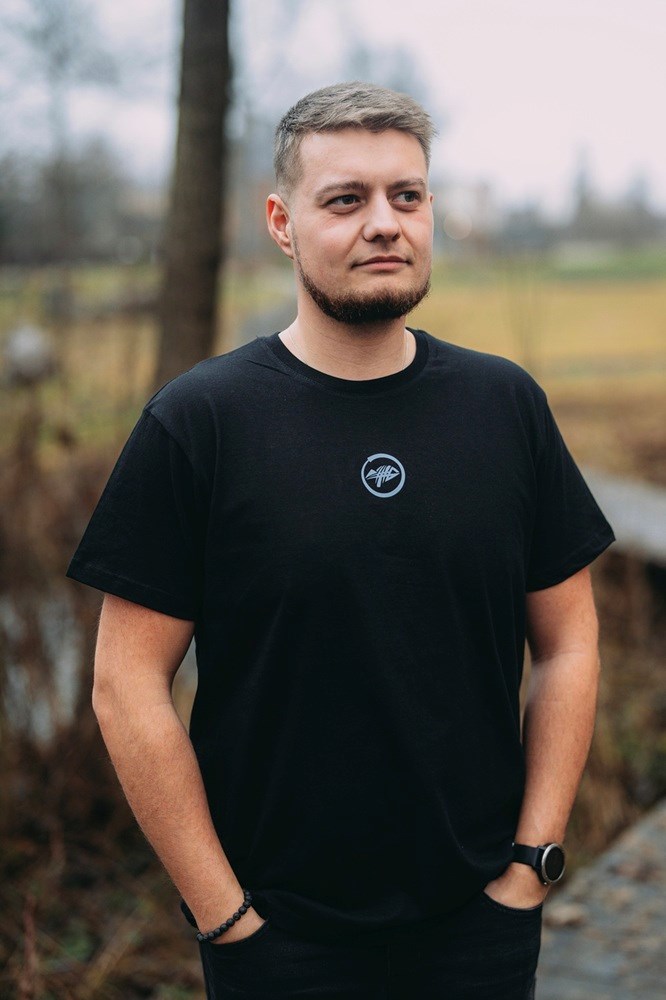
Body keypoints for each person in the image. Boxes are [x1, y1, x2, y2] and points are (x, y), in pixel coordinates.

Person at [67, 82, 615, 999]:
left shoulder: (505, 407)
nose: (384, 224)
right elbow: (125, 687)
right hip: (277, 939)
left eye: (407, 195)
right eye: (346, 199)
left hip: (479, 927)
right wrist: (225, 916)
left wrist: (532, 866)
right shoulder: (201, 422)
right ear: (282, 224)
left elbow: (569, 643)